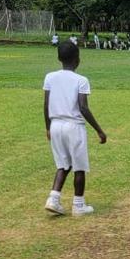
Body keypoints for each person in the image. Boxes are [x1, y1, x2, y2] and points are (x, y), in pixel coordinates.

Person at [43, 40, 107, 217]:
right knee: (79, 166)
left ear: (59, 58)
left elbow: (46, 104)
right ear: (77, 59)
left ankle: (53, 199)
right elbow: (83, 107)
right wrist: (99, 130)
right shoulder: (81, 80)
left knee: (63, 163)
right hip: (74, 126)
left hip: (55, 124)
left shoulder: (50, 77)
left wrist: (48, 127)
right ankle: (78, 205)